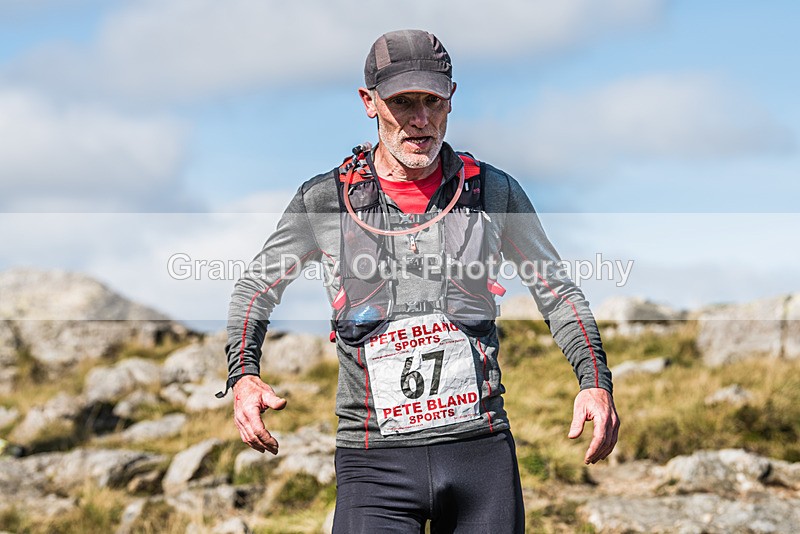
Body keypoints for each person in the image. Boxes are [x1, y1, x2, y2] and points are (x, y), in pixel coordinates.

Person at [221, 29, 619, 533]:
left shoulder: (494, 192)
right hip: (373, 465)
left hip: (481, 454)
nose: (421, 120)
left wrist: (595, 383)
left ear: (451, 99)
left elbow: (557, 292)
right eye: (402, 102)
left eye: (432, 101)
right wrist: (243, 376)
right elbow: (255, 287)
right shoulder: (323, 200)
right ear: (369, 102)